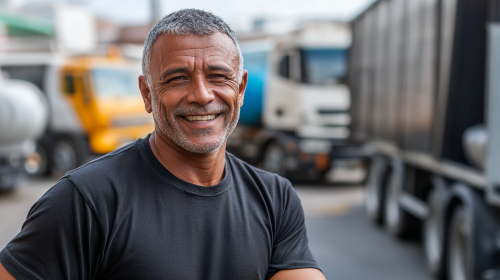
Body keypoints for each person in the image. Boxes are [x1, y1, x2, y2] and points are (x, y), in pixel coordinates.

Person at [0, 9, 325, 280]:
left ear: (240, 89)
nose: (201, 95)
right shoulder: (86, 200)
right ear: (146, 94)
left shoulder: (274, 198)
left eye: (217, 76)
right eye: (178, 78)